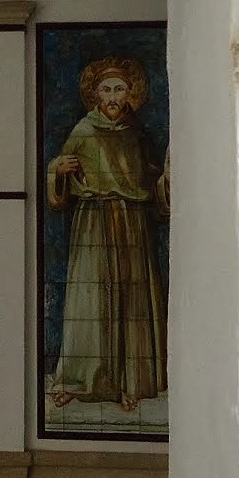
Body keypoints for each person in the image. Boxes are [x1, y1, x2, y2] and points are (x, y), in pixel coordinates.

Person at [46, 56, 169, 412]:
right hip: (93, 222)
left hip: (132, 223)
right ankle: (77, 380)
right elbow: (59, 177)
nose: (113, 96)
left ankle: (133, 383)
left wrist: (165, 183)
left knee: (133, 300)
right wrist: (58, 170)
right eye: (106, 89)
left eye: (119, 89)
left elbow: (152, 180)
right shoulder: (83, 131)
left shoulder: (137, 134)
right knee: (89, 299)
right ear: (95, 94)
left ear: (130, 93)